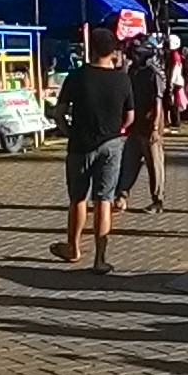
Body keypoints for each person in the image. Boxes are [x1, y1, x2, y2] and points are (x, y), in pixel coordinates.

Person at [53, 28, 134, 273]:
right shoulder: (122, 79)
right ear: (113, 51)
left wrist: (68, 131)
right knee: (104, 200)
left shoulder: (77, 76)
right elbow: (130, 117)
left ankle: (73, 248)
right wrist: (117, 130)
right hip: (111, 144)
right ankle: (100, 258)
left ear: (92, 49)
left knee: (78, 198)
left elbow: (60, 111)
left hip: (80, 144)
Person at [117, 36, 166, 214]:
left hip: (149, 124)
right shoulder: (132, 71)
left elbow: (158, 103)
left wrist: (154, 128)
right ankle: (122, 195)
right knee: (129, 161)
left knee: (155, 164)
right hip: (135, 124)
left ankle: (157, 200)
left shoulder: (153, 73)